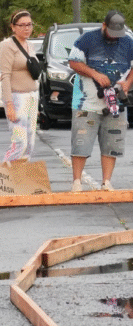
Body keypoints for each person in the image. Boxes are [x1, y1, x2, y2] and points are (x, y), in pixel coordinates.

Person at [68, 10, 133, 192]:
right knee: (81, 142)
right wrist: (95, 74)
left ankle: (106, 182)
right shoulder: (86, 40)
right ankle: (77, 182)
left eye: (117, 35)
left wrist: (127, 84)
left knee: (112, 143)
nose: (114, 38)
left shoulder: (128, 42)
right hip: (86, 102)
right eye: (111, 33)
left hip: (116, 103)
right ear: (104, 26)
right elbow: (73, 62)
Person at [0, 10, 40, 162]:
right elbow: (5, 76)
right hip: (17, 97)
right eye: (22, 25)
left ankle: (21, 179)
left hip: (32, 96)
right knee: (19, 142)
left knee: (30, 144)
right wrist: (8, 104)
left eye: (29, 25)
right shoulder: (7, 46)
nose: (26, 28)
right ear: (13, 27)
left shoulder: (30, 45)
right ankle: (4, 175)